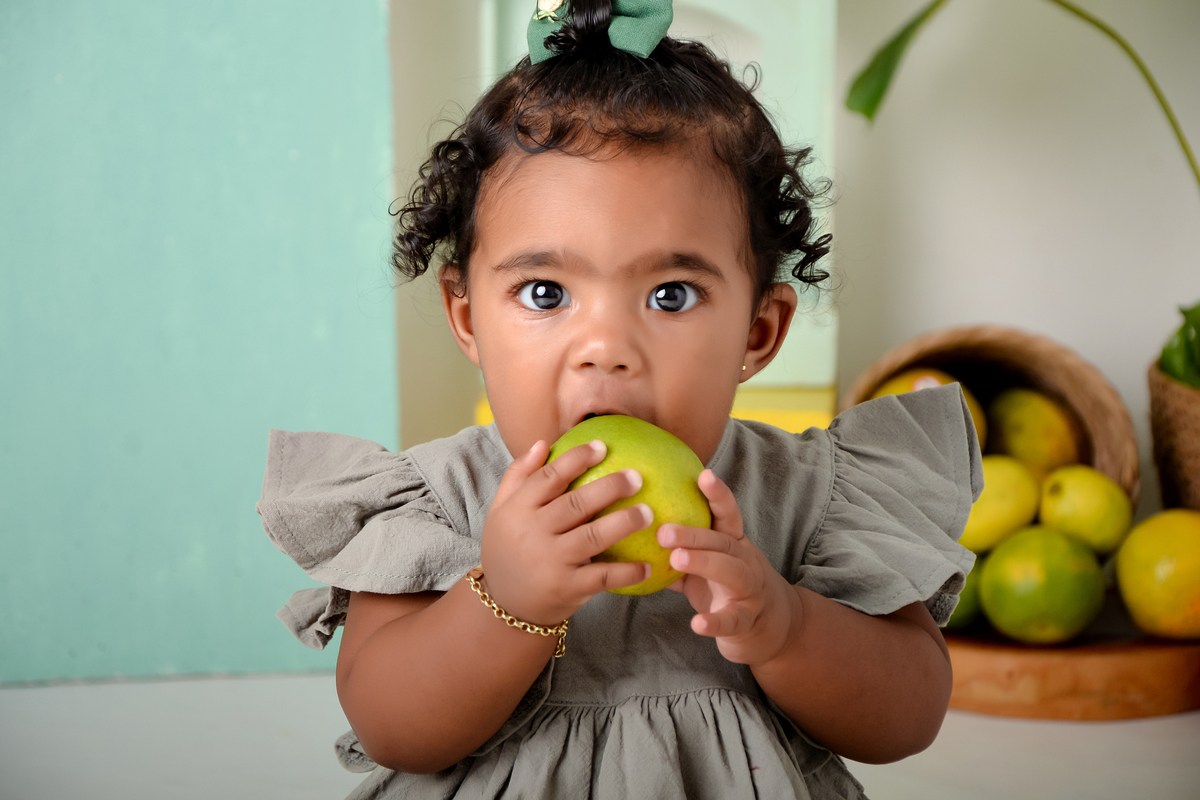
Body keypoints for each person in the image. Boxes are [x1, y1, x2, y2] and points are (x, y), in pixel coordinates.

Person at [257, 1, 981, 797]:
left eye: (671, 295)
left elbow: (907, 715)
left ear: (758, 331)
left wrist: (783, 625)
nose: (605, 347)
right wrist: (503, 604)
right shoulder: (436, 503)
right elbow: (390, 725)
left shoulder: (808, 497)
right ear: (467, 319)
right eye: (545, 292)